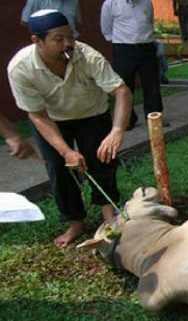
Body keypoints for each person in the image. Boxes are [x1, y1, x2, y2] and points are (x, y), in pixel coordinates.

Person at [7, 10, 132, 247]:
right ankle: (75, 222)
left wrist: (117, 130)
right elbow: (36, 114)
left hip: (92, 114)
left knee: (102, 160)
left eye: (70, 37)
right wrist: (66, 151)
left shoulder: (87, 56)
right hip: (52, 121)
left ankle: (108, 213)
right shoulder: (20, 68)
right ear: (37, 41)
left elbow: (121, 91)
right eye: (58, 39)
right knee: (59, 168)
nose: (68, 44)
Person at [101, 0, 165, 130]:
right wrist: (121, 42)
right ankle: (127, 120)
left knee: (151, 85)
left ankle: (154, 118)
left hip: (147, 47)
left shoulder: (146, 2)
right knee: (124, 85)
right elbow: (106, 29)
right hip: (123, 49)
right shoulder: (110, 3)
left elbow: (149, 22)